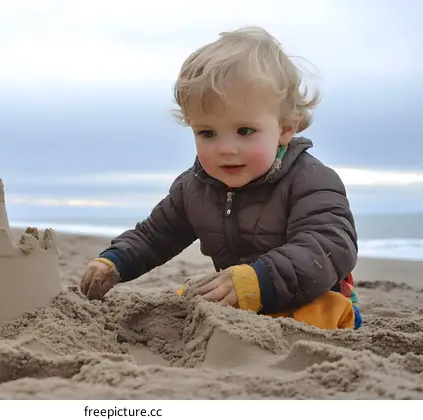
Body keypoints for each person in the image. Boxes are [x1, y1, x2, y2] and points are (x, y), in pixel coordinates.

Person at [79, 26, 362, 330]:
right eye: (207, 133)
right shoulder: (194, 187)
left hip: (308, 295)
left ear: (284, 129)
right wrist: (114, 262)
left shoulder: (311, 180)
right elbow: (155, 236)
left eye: (245, 131)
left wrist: (258, 280)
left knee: (322, 311)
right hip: (238, 299)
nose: (226, 149)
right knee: (185, 299)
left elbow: (328, 245)